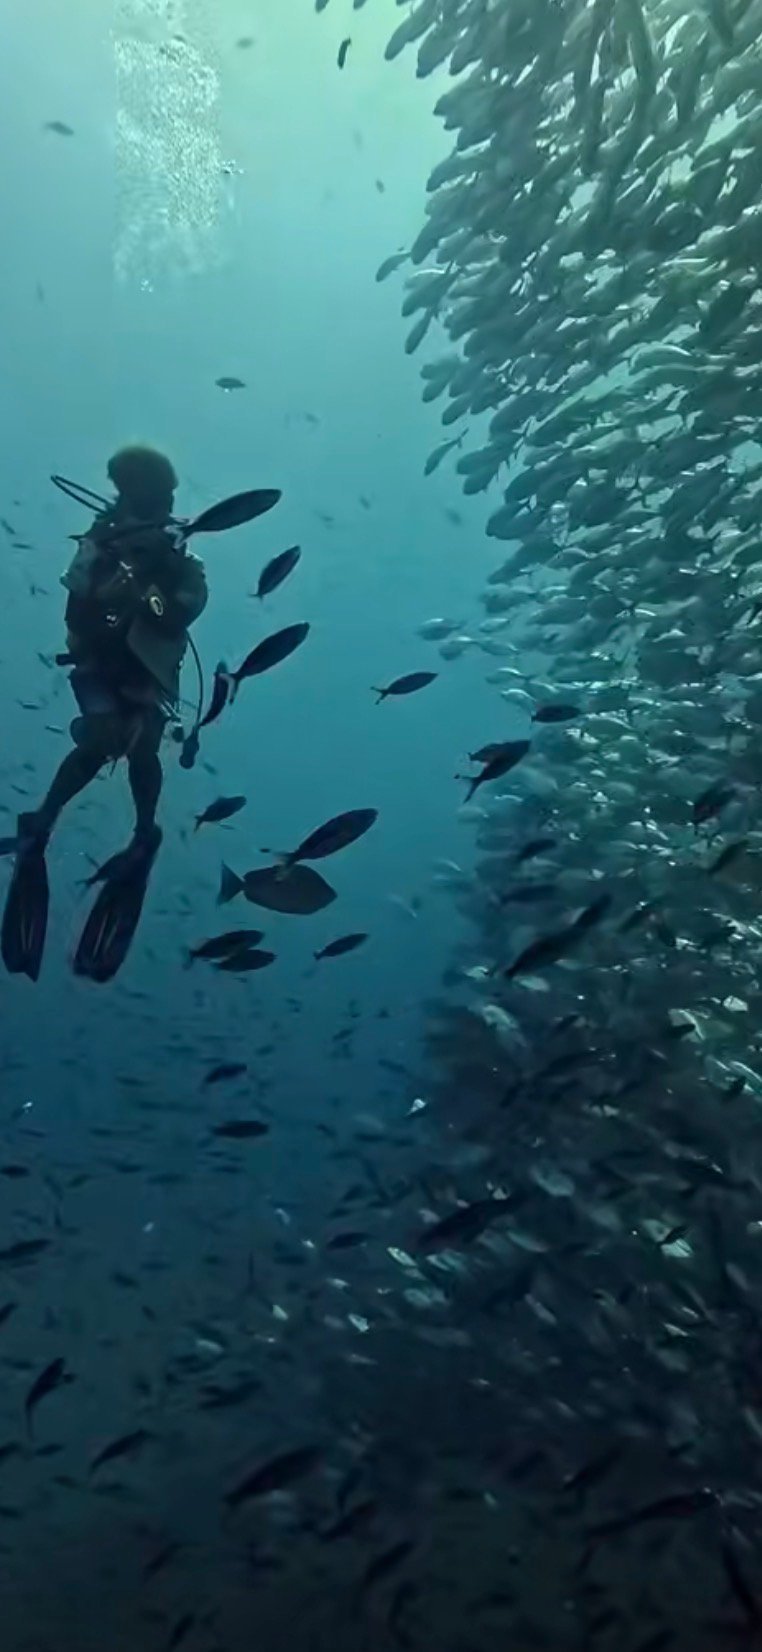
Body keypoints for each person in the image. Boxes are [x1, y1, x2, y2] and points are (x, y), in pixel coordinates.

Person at [2, 445, 208, 983]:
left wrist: (149, 592)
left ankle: (141, 830)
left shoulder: (182, 561)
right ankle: (45, 822)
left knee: (140, 743)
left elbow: (178, 613)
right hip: (100, 662)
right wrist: (115, 587)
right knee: (101, 736)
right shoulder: (97, 547)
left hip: (149, 672)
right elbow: (77, 609)